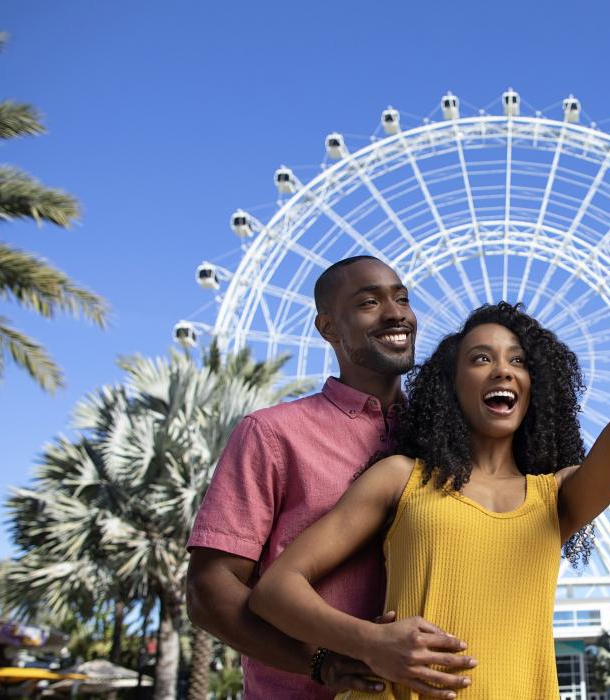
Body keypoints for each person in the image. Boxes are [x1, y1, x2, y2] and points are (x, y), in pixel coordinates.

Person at [247, 225, 610, 698]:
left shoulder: (556, 498)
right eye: (480, 358)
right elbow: (275, 590)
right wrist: (369, 643)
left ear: (537, 387)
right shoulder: (401, 478)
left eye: (518, 360)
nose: (503, 371)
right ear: (451, 385)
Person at [186, 256, 473, 697]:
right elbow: (209, 590)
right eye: (369, 303)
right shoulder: (273, 434)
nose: (396, 313)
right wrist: (322, 662)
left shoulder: (448, 439)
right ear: (328, 328)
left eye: (402, 298)